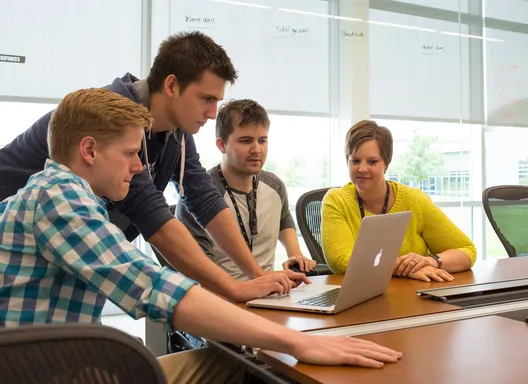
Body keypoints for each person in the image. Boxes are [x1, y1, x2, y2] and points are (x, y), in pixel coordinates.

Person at [0, 89, 402, 383]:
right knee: (254, 369)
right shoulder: (60, 198)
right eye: (129, 153)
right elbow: (155, 287)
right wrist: (296, 342)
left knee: (234, 364)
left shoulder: (51, 193)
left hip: (55, 365)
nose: (140, 168)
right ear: (89, 150)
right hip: (37, 373)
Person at [0, 31, 308, 302]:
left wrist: (254, 275)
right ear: (172, 85)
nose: (214, 113)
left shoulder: (175, 131)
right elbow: (152, 215)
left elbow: (203, 198)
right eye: (206, 99)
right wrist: (232, 287)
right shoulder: (115, 120)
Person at [177, 98, 316, 282]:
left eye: (262, 140)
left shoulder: (275, 186)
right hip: (222, 297)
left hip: (273, 293)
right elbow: (200, 275)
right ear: (221, 145)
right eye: (245, 141)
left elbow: (283, 219)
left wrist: (295, 254)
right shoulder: (199, 195)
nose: (256, 149)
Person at [321, 120, 477, 282]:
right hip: (356, 295)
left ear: (386, 164)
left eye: (372, 161)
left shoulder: (415, 201)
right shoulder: (336, 200)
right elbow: (341, 260)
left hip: (413, 295)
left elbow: (467, 251)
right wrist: (404, 269)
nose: (362, 169)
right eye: (355, 161)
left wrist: (431, 261)